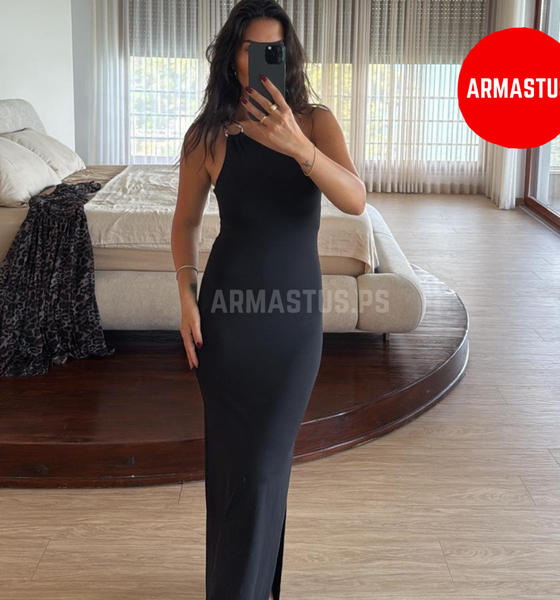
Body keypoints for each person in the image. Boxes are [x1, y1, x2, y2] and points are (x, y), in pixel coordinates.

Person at [171, 1, 366, 598]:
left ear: (287, 56)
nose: (260, 60)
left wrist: (298, 147)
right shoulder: (208, 135)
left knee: (263, 466)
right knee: (234, 470)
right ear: (232, 57)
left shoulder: (315, 122)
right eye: (249, 48)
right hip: (225, 323)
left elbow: (355, 199)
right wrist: (185, 295)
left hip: (291, 325)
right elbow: (185, 223)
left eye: (272, 50)